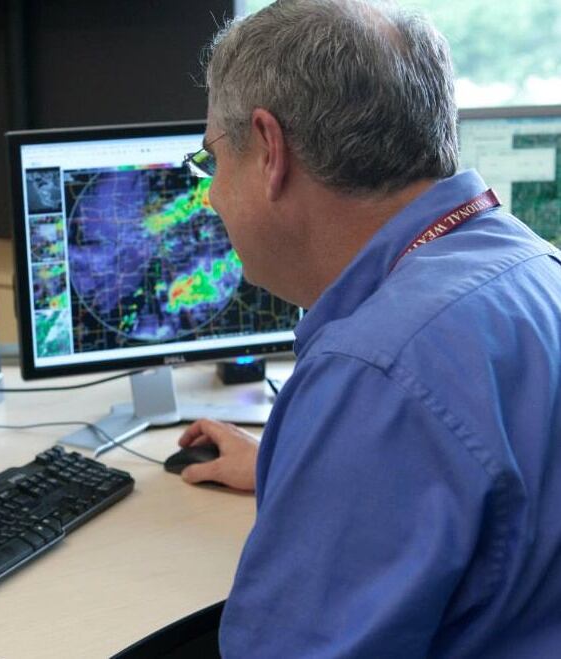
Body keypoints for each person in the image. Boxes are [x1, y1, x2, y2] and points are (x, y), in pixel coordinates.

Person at [176, 0, 561, 656]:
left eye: (213, 159)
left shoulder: (376, 370)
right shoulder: (532, 266)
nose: (211, 194)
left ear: (269, 150)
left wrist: (347, 443)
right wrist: (301, 466)